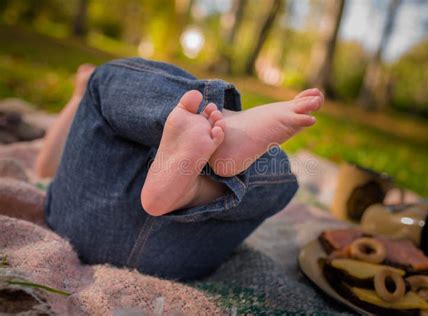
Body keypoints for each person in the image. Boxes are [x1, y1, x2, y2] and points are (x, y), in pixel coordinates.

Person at [36, 58, 324, 280]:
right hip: (179, 254)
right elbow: (46, 167)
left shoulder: (83, 144)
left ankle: (194, 179)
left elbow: (44, 168)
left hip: (75, 222)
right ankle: (202, 177)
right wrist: (84, 90)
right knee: (282, 176)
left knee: (102, 81)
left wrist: (79, 95)